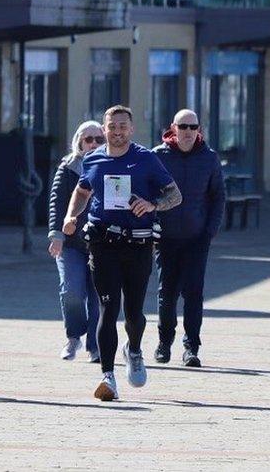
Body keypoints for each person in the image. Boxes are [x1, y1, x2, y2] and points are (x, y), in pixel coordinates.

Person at [63, 106, 182, 401]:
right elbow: (81, 191)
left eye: (122, 127)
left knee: (134, 313)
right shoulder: (92, 159)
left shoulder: (145, 159)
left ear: (131, 129)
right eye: (112, 126)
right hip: (103, 244)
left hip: (138, 244)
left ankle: (135, 349)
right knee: (107, 307)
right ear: (104, 129)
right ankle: (108, 375)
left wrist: (152, 204)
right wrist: (71, 216)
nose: (117, 132)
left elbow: (174, 195)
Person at [152, 109, 225, 367]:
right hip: (166, 237)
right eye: (183, 126)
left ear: (199, 129)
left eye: (192, 127)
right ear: (173, 127)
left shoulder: (209, 158)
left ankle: (191, 347)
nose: (187, 132)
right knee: (167, 293)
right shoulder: (158, 156)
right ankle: (164, 342)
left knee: (194, 293)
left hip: (196, 238)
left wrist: (210, 230)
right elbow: (147, 192)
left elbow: (218, 197)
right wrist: (153, 225)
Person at [48, 121, 104, 363]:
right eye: (88, 139)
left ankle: (95, 346)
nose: (93, 144)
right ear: (79, 142)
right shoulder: (68, 167)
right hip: (71, 243)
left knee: (98, 296)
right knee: (71, 290)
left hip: (103, 242)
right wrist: (56, 235)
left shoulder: (112, 165)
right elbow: (56, 203)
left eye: (98, 139)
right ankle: (74, 336)